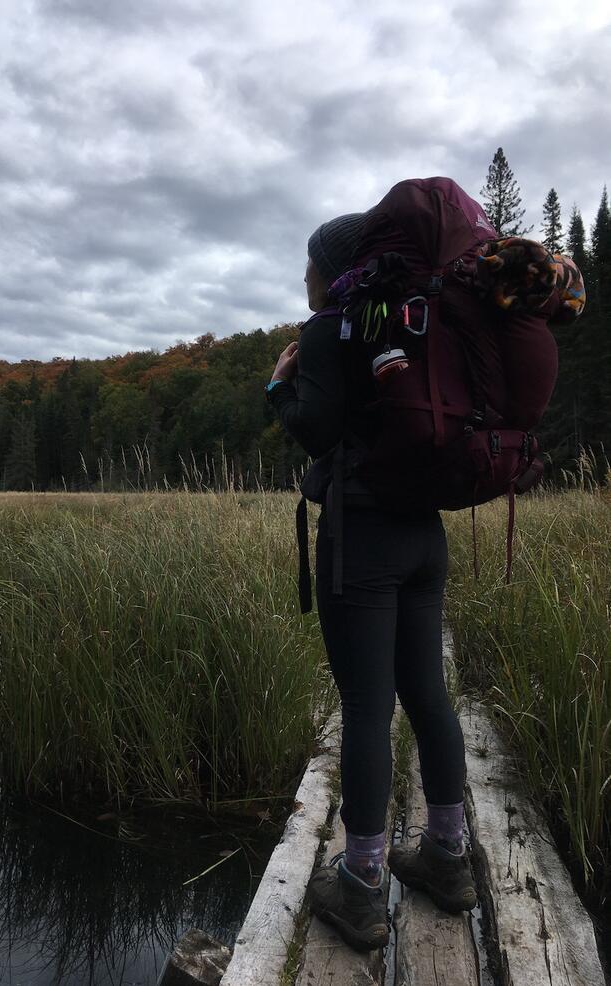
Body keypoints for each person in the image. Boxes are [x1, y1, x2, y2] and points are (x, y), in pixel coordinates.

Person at [264, 191, 481, 953]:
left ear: (332, 271)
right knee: (426, 693)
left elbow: (315, 429)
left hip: (362, 536)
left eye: (309, 269)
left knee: (364, 703)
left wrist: (281, 384)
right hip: (425, 534)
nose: (304, 281)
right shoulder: (417, 322)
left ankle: (360, 886)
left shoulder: (330, 328)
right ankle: (448, 860)